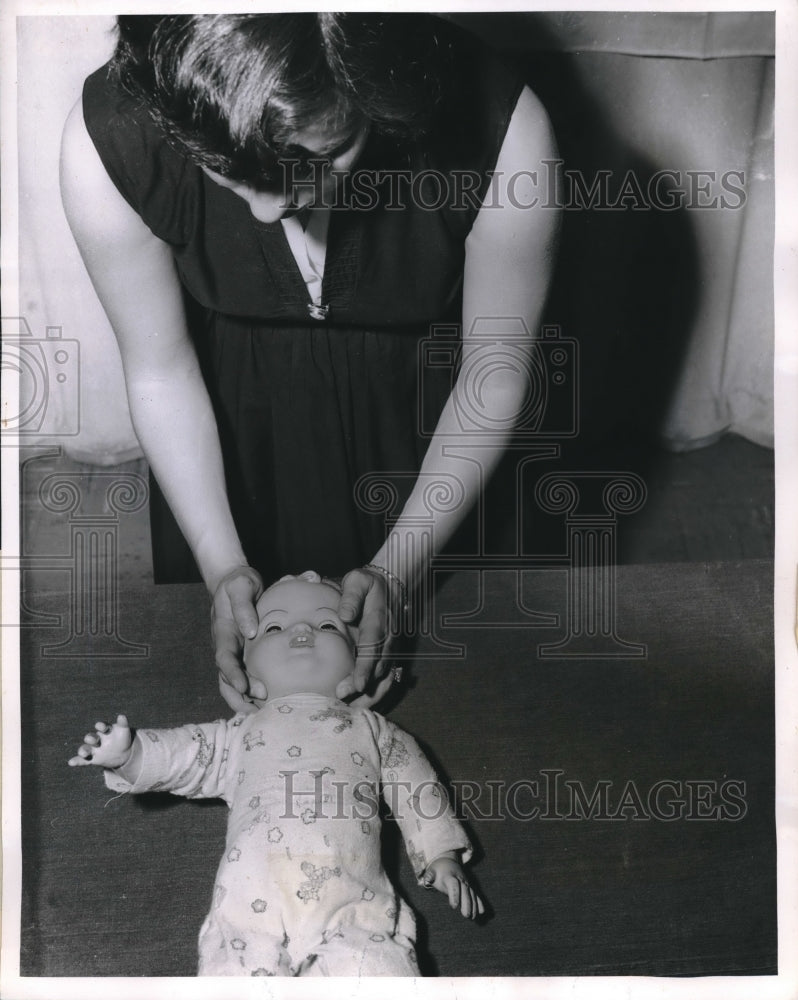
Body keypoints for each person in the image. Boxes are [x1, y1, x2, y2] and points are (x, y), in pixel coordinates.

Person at [60, 14, 559, 710]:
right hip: (231, 441)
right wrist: (221, 562)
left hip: (433, 444)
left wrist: (399, 570)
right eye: (222, 166)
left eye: (317, 160)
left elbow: (494, 372)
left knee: (479, 705)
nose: (266, 212)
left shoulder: (505, 127)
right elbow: (159, 370)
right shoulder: (111, 133)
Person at [68, 572, 484, 977]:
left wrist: (440, 854)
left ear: (364, 657)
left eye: (326, 623)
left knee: (375, 967)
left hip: (353, 904)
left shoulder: (372, 729)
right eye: (274, 627)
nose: (301, 629)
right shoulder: (240, 733)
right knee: (234, 967)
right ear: (242, 668)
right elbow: (188, 755)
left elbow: (415, 784)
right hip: (251, 901)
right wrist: (132, 754)